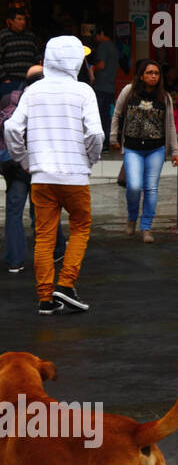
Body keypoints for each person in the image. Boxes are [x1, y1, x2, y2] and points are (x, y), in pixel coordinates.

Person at [3, 36, 103, 314]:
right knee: (81, 226)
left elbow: (11, 128)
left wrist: (24, 159)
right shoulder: (83, 91)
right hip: (74, 176)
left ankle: (46, 298)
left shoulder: (33, 91)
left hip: (41, 177)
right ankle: (67, 284)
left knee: (44, 236)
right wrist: (90, 160)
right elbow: (95, 133)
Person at [1, 65, 66, 273]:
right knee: (45, 209)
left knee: (14, 210)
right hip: (43, 164)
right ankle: (53, 252)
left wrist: (20, 157)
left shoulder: (10, 98)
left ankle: (15, 260)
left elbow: (7, 132)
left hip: (16, 165)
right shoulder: (54, 101)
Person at [108, 59, 178, 243]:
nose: (153, 76)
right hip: (132, 148)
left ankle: (146, 227)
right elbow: (117, 114)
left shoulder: (165, 97)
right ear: (141, 75)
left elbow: (171, 124)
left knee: (151, 188)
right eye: (149, 72)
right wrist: (113, 137)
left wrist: (175, 150)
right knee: (133, 186)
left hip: (156, 148)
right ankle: (132, 217)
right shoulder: (128, 91)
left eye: (156, 73)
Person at [0, 7, 39, 96]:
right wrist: (4, 78)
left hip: (29, 82)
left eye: (24, 19)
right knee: (9, 108)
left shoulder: (30, 36)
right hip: (9, 83)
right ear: (11, 21)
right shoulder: (3, 36)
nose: (23, 22)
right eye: (19, 19)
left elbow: (37, 57)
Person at [90, 25, 119, 136]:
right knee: (107, 116)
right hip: (111, 87)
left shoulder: (102, 47)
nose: (95, 39)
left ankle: (103, 142)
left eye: (96, 36)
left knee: (100, 117)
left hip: (101, 86)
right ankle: (107, 142)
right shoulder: (114, 47)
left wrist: (92, 68)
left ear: (101, 34)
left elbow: (101, 65)